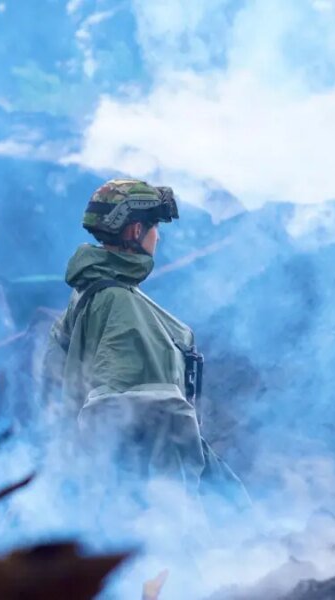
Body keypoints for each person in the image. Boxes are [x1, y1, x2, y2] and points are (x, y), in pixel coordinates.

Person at [44, 179, 246, 507]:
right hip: (145, 508)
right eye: (155, 227)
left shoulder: (85, 298)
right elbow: (158, 426)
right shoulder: (120, 306)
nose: (158, 237)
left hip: (93, 495)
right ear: (136, 230)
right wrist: (180, 517)